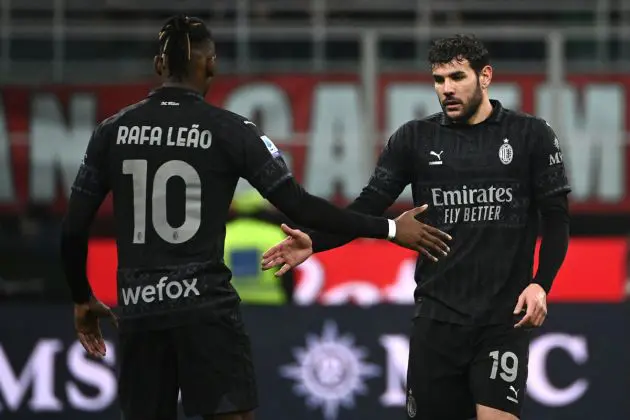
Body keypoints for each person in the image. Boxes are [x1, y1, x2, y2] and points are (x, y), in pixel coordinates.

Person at [58, 15, 452, 420]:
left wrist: (80, 297)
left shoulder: (112, 131)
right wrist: (387, 227)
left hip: (139, 312)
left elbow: (72, 229)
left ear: (159, 65)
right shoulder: (232, 131)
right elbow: (299, 205)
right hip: (205, 311)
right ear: (211, 64)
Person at [261, 34, 571, 420]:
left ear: (485, 76)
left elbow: (556, 219)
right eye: (439, 80)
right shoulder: (414, 139)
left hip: (501, 320)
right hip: (437, 319)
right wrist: (316, 243)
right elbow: (368, 206)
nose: (447, 89)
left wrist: (542, 283)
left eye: (457, 77)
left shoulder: (530, 135)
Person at [225, 185, 294, 304]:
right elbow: (287, 276)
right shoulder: (276, 234)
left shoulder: (224, 234)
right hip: (271, 305)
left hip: (233, 304)